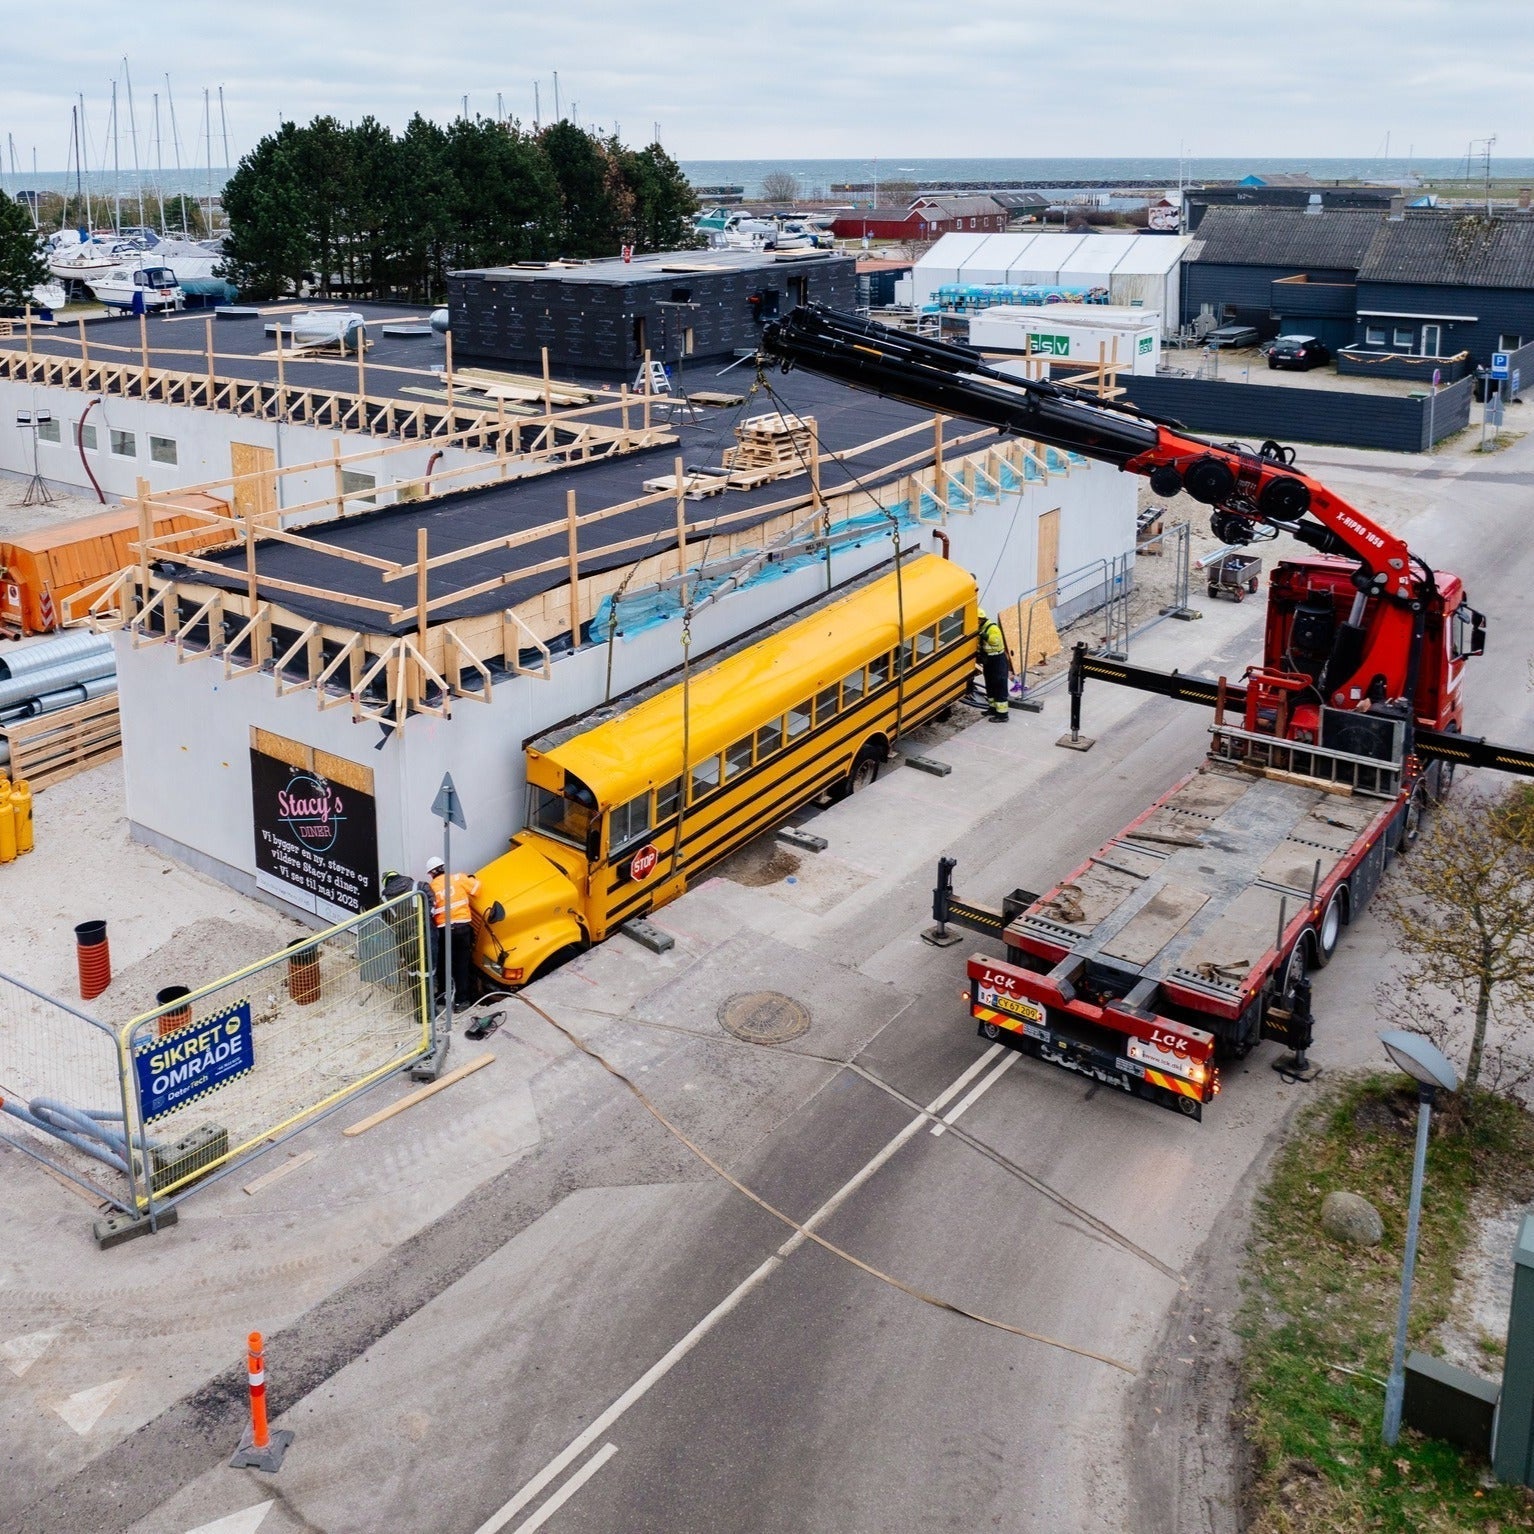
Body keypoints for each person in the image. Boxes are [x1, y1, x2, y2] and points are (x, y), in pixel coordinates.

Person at [426, 855, 480, 1012]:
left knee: (443, 963)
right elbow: (478, 888)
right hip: (463, 928)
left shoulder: (431, 888)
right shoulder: (458, 878)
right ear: (444, 867)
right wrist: (472, 879)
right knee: (462, 965)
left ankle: (443, 995)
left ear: (430, 874)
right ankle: (461, 1001)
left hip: (443, 929)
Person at [976, 608, 1011, 722]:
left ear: (980, 619)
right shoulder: (981, 627)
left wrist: (983, 635)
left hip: (997, 660)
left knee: (999, 685)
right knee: (990, 684)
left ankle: (1002, 715)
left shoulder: (992, 628)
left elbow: (994, 641)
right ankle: (992, 708)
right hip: (989, 660)